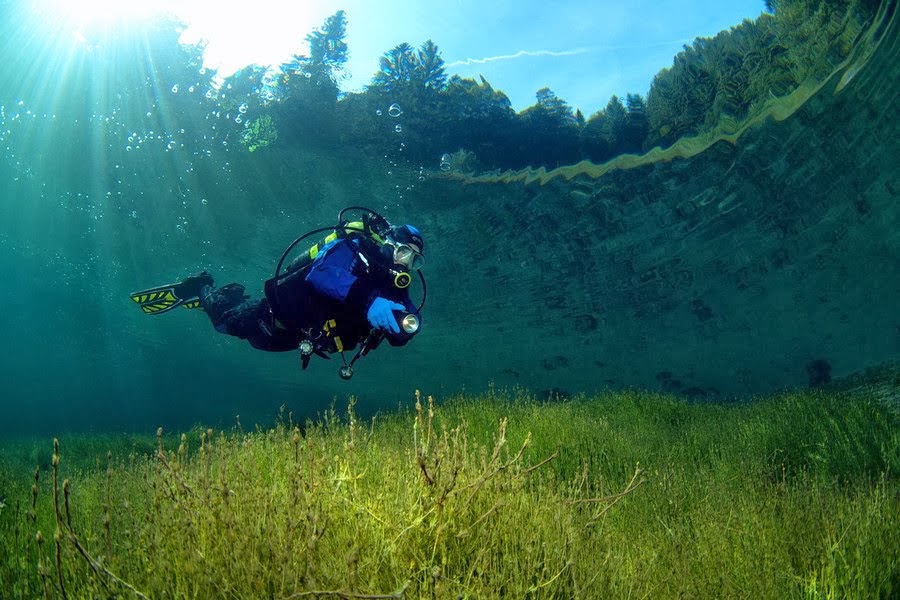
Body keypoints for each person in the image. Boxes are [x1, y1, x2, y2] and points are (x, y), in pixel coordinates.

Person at [130, 209, 425, 378]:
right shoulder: (355, 249)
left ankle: (232, 295)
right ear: (388, 243)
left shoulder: (396, 284)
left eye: (414, 259)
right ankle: (200, 286)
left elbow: (407, 320)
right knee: (224, 324)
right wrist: (369, 300)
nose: (406, 263)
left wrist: (408, 327)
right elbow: (322, 273)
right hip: (272, 317)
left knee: (254, 340)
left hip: (300, 337)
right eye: (403, 251)